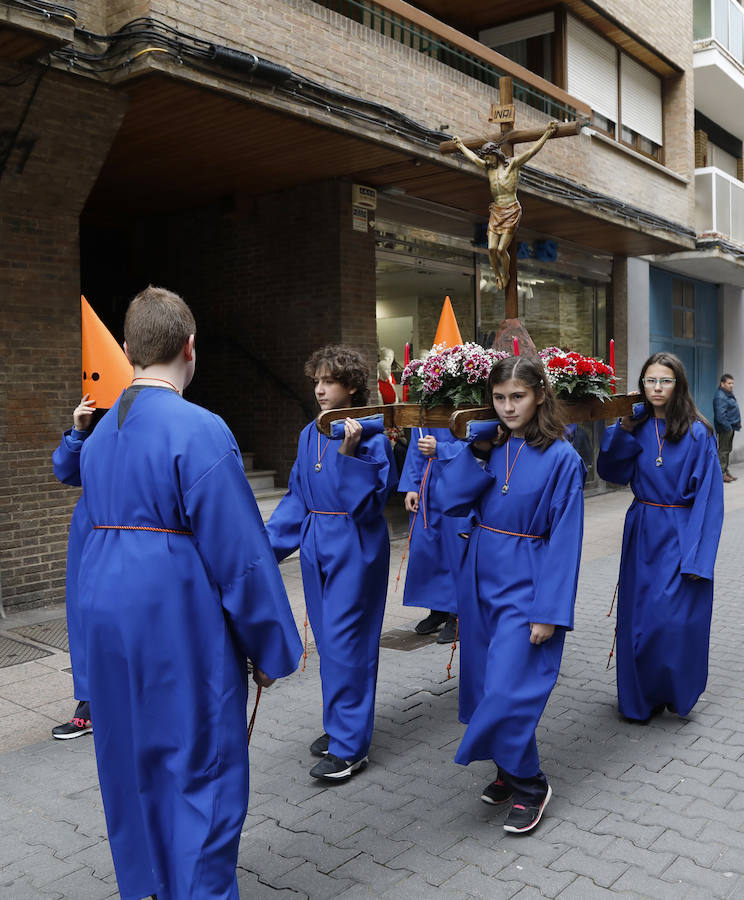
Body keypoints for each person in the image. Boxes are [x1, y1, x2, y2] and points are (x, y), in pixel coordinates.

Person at [77, 285, 302, 900]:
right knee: (199, 766)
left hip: (106, 615)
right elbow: (239, 554)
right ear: (190, 348)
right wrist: (270, 648)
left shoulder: (97, 438)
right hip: (172, 616)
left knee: (130, 759)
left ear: (127, 349)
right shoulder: (199, 429)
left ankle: (148, 884)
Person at [437, 356, 585, 834]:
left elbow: (566, 539)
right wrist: (476, 454)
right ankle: (505, 766)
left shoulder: (562, 456)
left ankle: (530, 784)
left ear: (540, 395)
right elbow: (450, 501)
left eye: (517, 396)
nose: (507, 407)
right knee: (485, 684)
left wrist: (550, 612)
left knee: (509, 687)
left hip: (529, 577)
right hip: (481, 577)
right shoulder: (489, 444)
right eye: (499, 398)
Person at [266, 345, 397, 783]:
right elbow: (297, 496)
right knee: (328, 643)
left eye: (329, 381)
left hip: (355, 546)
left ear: (353, 387)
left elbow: (368, 506)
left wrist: (348, 453)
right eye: (317, 381)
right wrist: (265, 549)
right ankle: (341, 724)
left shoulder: (374, 438)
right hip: (316, 544)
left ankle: (350, 747)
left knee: (349, 644)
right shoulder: (308, 433)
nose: (320, 389)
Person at [597, 352, 723, 725]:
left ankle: (672, 691)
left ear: (678, 384)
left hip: (681, 532)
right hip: (643, 529)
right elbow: (612, 471)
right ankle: (640, 698)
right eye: (650, 380)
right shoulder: (634, 428)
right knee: (640, 619)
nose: (656, 387)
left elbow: (710, 500)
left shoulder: (699, 433)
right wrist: (620, 428)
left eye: (664, 380)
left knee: (675, 621)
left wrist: (699, 558)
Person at [452, 122, 559, 290]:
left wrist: (547, 133)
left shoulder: (512, 165)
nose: (486, 161)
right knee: (491, 248)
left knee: (502, 249)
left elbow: (531, 152)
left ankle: (506, 275)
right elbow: (473, 158)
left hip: (511, 210)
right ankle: (497, 274)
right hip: (496, 211)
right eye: (485, 158)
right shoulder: (489, 168)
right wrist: (460, 145)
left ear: (496, 154)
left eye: (488, 157)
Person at [51, 394, 97, 740]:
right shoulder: (100, 424)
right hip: (91, 532)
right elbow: (66, 471)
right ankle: (90, 703)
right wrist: (79, 431)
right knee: (85, 618)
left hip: (140, 532)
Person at [399, 428, 470, 644]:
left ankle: (458, 614)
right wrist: (412, 485)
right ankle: (438, 607)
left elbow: (481, 445)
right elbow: (416, 445)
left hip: (460, 483)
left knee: (455, 550)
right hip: (427, 483)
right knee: (426, 548)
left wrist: (441, 448)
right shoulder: (425, 406)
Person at [713, 373, 740, 482]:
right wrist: (728, 427)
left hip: (731, 426)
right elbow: (720, 416)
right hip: (725, 428)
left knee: (727, 450)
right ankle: (721, 473)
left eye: (732, 383)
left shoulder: (727, 394)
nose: (731, 385)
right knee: (723, 451)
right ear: (722, 384)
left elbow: (731, 411)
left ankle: (726, 471)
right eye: (729, 383)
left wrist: (737, 423)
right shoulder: (720, 396)